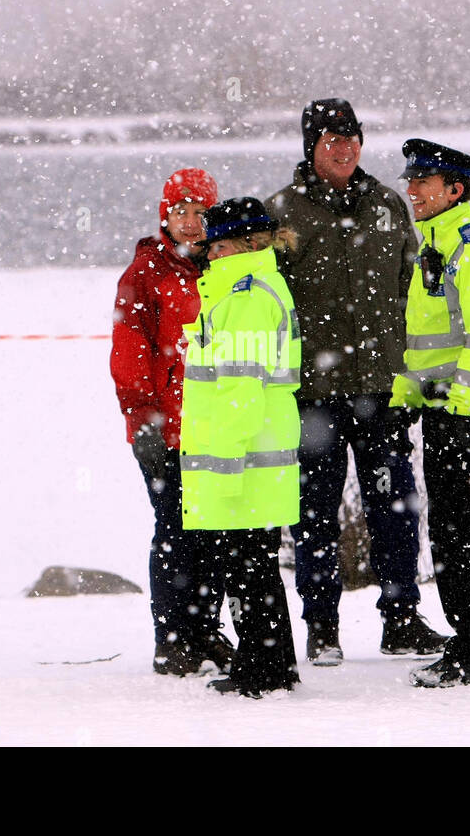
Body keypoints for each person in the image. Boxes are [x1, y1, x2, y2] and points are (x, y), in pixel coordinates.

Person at [265, 98, 446, 664]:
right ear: (310, 147)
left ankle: (402, 620)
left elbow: (413, 294)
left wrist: (417, 374)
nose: (343, 149)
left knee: (395, 507)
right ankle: (321, 627)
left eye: (351, 138)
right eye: (330, 140)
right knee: (314, 512)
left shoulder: (389, 206)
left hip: (383, 389)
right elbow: (270, 305)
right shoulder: (282, 214)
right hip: (313, 395)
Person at [388, 139, 470, 688]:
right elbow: (430, 345)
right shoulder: (437, 247)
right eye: (411, 181)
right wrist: (407, 394)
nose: (411, 191)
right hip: (451, 410)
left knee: (462, 536)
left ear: (454, 190)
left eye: (422, 182)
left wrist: (460, 406)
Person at [111, 168, 233, 676]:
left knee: (215, 534)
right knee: (174, 532)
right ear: (165, 214)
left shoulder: (226, 268)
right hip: (166, 429)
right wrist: (143, 419)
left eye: (199, 212)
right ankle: (173, 637)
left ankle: (207, 631)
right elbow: (130, 353)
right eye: (179, 211)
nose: (189, 222)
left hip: (218, 427)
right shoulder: (146, 273)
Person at [179, 197, 301, 698]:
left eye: (220, 245)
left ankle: (264, 670)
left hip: (245, 462)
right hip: (253, 458)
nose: (210, 255)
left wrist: (224, 469)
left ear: (250, 244)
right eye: (209, 246)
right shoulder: (240, 290)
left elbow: (240, 392)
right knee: (252, 566)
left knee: (248, 567)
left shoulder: (246, 298)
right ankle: (269, 663)